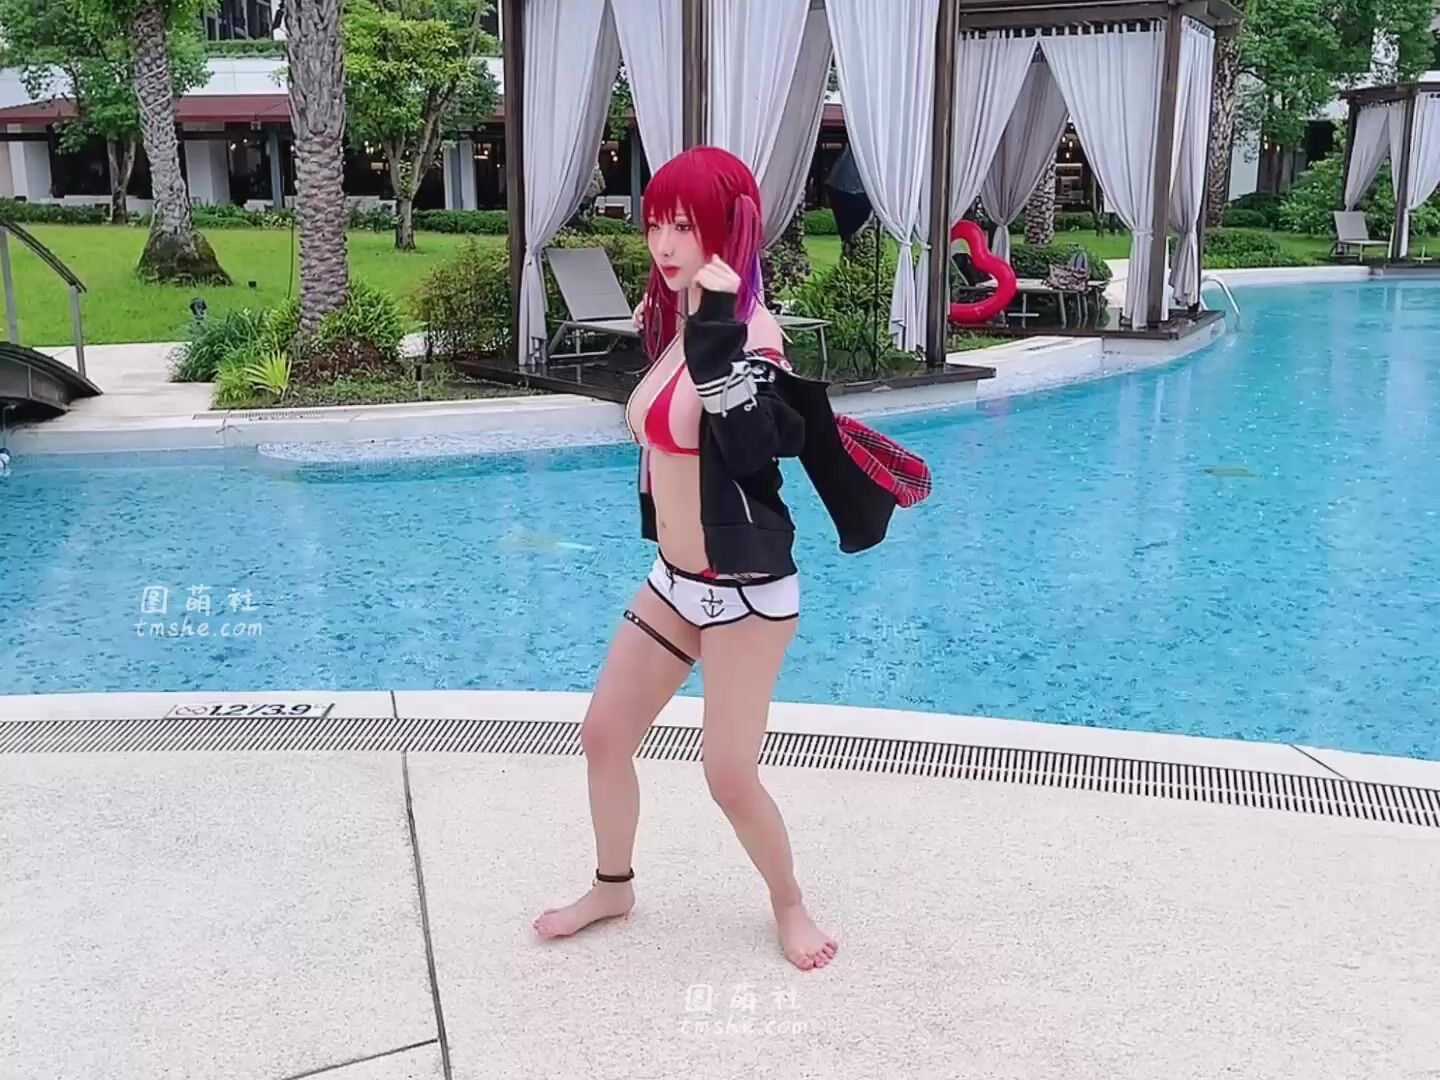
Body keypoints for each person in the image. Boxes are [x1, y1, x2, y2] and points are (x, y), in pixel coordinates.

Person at [533, 146, 930, 971]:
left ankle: (790, 904)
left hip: (746, 593)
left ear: (729, 227)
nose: (664, 243)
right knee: (604, 734)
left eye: (685, 225)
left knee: (728, 776)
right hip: (674, 583)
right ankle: (612, 887)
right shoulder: (678, 323)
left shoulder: (751, 335)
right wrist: (694, 323)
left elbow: (751, 448)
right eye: (656, 224)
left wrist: (716, 330)